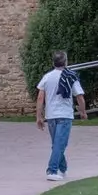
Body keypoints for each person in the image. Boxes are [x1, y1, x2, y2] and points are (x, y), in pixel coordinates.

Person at [35, 50, 87, 181]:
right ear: (65, 62)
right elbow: (80, 97)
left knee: (57, 143)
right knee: (60, 144)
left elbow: (40, 98)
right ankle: (52, 170)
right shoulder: (70, 77)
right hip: (65, 115)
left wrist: (39, 116)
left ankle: (63, 169)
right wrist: (83, 112)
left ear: (53, 62)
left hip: (51, 115)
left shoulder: (47, 77)